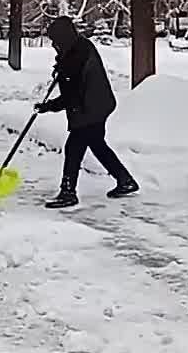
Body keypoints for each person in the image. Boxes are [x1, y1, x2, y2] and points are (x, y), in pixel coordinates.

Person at [34, 16, 138, 209]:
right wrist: (61, 66)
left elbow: (72, 94)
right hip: (96, 105)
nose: (54, 45)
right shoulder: (78, 48)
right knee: (97, 145)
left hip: (90, 108)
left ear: (63, 38)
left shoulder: (76, 57)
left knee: (74, 148)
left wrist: (49, 106)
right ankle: (125, 180)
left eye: (55, 41)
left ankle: (68, 193)